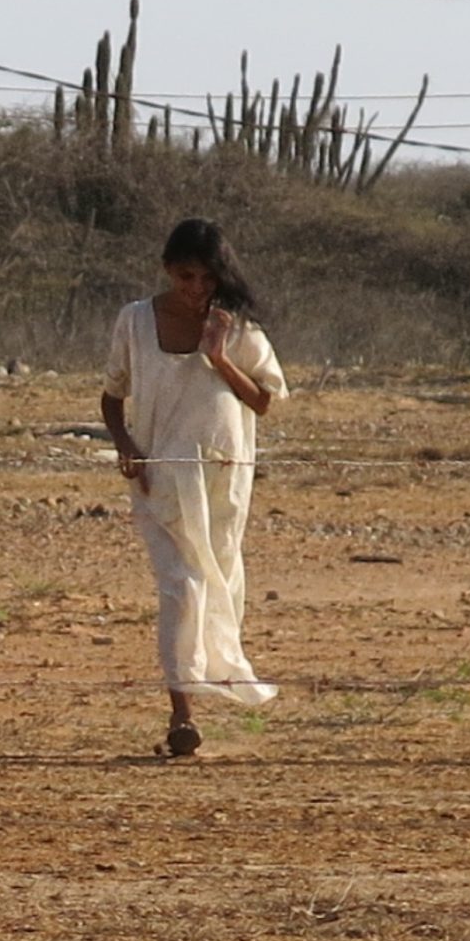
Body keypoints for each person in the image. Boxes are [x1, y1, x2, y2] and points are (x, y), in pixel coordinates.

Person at [101, 218, 287, 757]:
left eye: (206, 279)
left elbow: (265, 401)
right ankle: (181, 714)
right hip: (159, 477)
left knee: (217, 579)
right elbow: (113, 396)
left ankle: (215, 678)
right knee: (180, 587)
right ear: (167, 270)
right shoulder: (135, 322)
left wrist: (219, 356)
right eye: (186, 277)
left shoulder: (238, 328)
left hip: (222, 477)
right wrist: (125, 444)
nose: (196, 290)